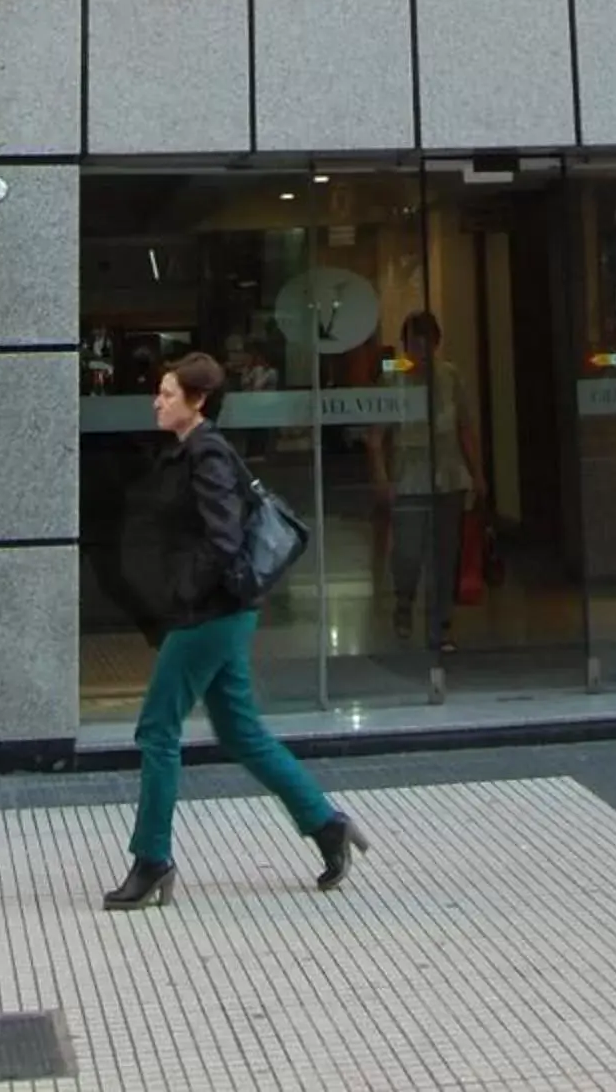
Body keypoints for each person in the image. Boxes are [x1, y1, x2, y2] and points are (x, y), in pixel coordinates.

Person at [105, 348, 367, 911]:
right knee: (241, 732)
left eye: (168, 393)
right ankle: (326, 825)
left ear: (196, 401)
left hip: (210, 615)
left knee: (156, 730)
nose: (157, 400)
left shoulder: (208, 456)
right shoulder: (191, 452)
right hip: (221, 612)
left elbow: (222, 542)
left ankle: (152, 860)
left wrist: (184, 594)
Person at [375, 309, 485, 655]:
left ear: (436, 343)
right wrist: (382, 477)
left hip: (447, 475)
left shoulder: (450, 377)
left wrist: (477, 472)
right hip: (408, 477)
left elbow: (464, 427)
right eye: (413, 343)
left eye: (426, 343)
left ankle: (441, 625)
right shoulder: (393, 380)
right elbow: (375, 436)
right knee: (407, 551)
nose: (419, 350)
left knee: (444, 553)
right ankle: (404, 601)